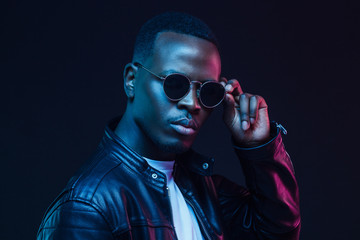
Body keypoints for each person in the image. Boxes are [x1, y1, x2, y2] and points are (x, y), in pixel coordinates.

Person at [37, 12, 300, 239]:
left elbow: (278, 232)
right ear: (131, 80)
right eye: (175, 84)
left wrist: (257, 147)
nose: (193, 104)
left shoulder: (203, 190)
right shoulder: (88, 206)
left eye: (208, 92)